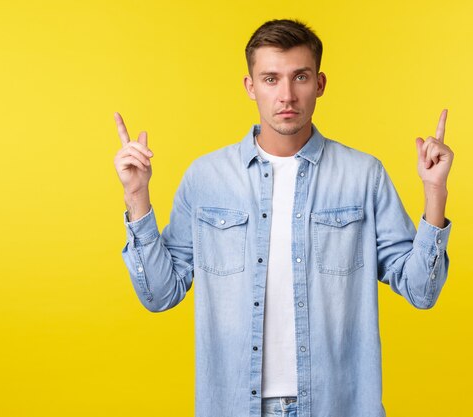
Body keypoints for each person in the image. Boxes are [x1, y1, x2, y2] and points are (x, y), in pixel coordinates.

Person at [113, 18, 454, 417]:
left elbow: (421, 292)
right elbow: (159, 294)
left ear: (320, 84)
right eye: (271, 79)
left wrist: (435, 191)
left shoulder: (363, 175)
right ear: (250, 86)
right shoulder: (206, 179)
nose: (287, 95)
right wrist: (136, 196)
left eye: (300, 77)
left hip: (337, 405)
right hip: (234, 406)